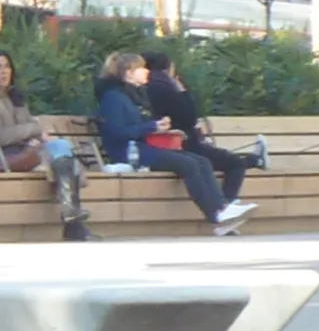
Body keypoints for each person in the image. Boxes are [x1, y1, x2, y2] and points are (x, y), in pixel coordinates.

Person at [97, 48, 254, 233]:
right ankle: (216, 214)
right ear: (129, 73)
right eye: (141, 68)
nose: (147, 71)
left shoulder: (132, 95)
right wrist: (152, 127)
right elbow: (117, 132)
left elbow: (134, 125)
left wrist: (161, 127)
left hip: (143, 148)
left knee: (201, 161)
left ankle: (221, 211)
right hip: (130, 153)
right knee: (187, 164)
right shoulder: (114, 98)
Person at [0, 49, 92, 241]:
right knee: (63, 157)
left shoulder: (16, 99)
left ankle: (71, 216)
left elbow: (31, 129)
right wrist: (33, 131)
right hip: (6, 157)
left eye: (7, 66)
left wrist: (39, 137)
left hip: (29, 152)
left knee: (61, 147)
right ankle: (73, 223)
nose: (4, 71)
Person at [138, 49, 264, 203]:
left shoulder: (140, 88)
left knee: (217, 160)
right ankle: (227, 204)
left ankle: (255, 160)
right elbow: (188, 116)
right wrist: (182, 91)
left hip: (163, 145)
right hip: (180, 143)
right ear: (167, 68)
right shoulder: (163, 86)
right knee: (234, 164)